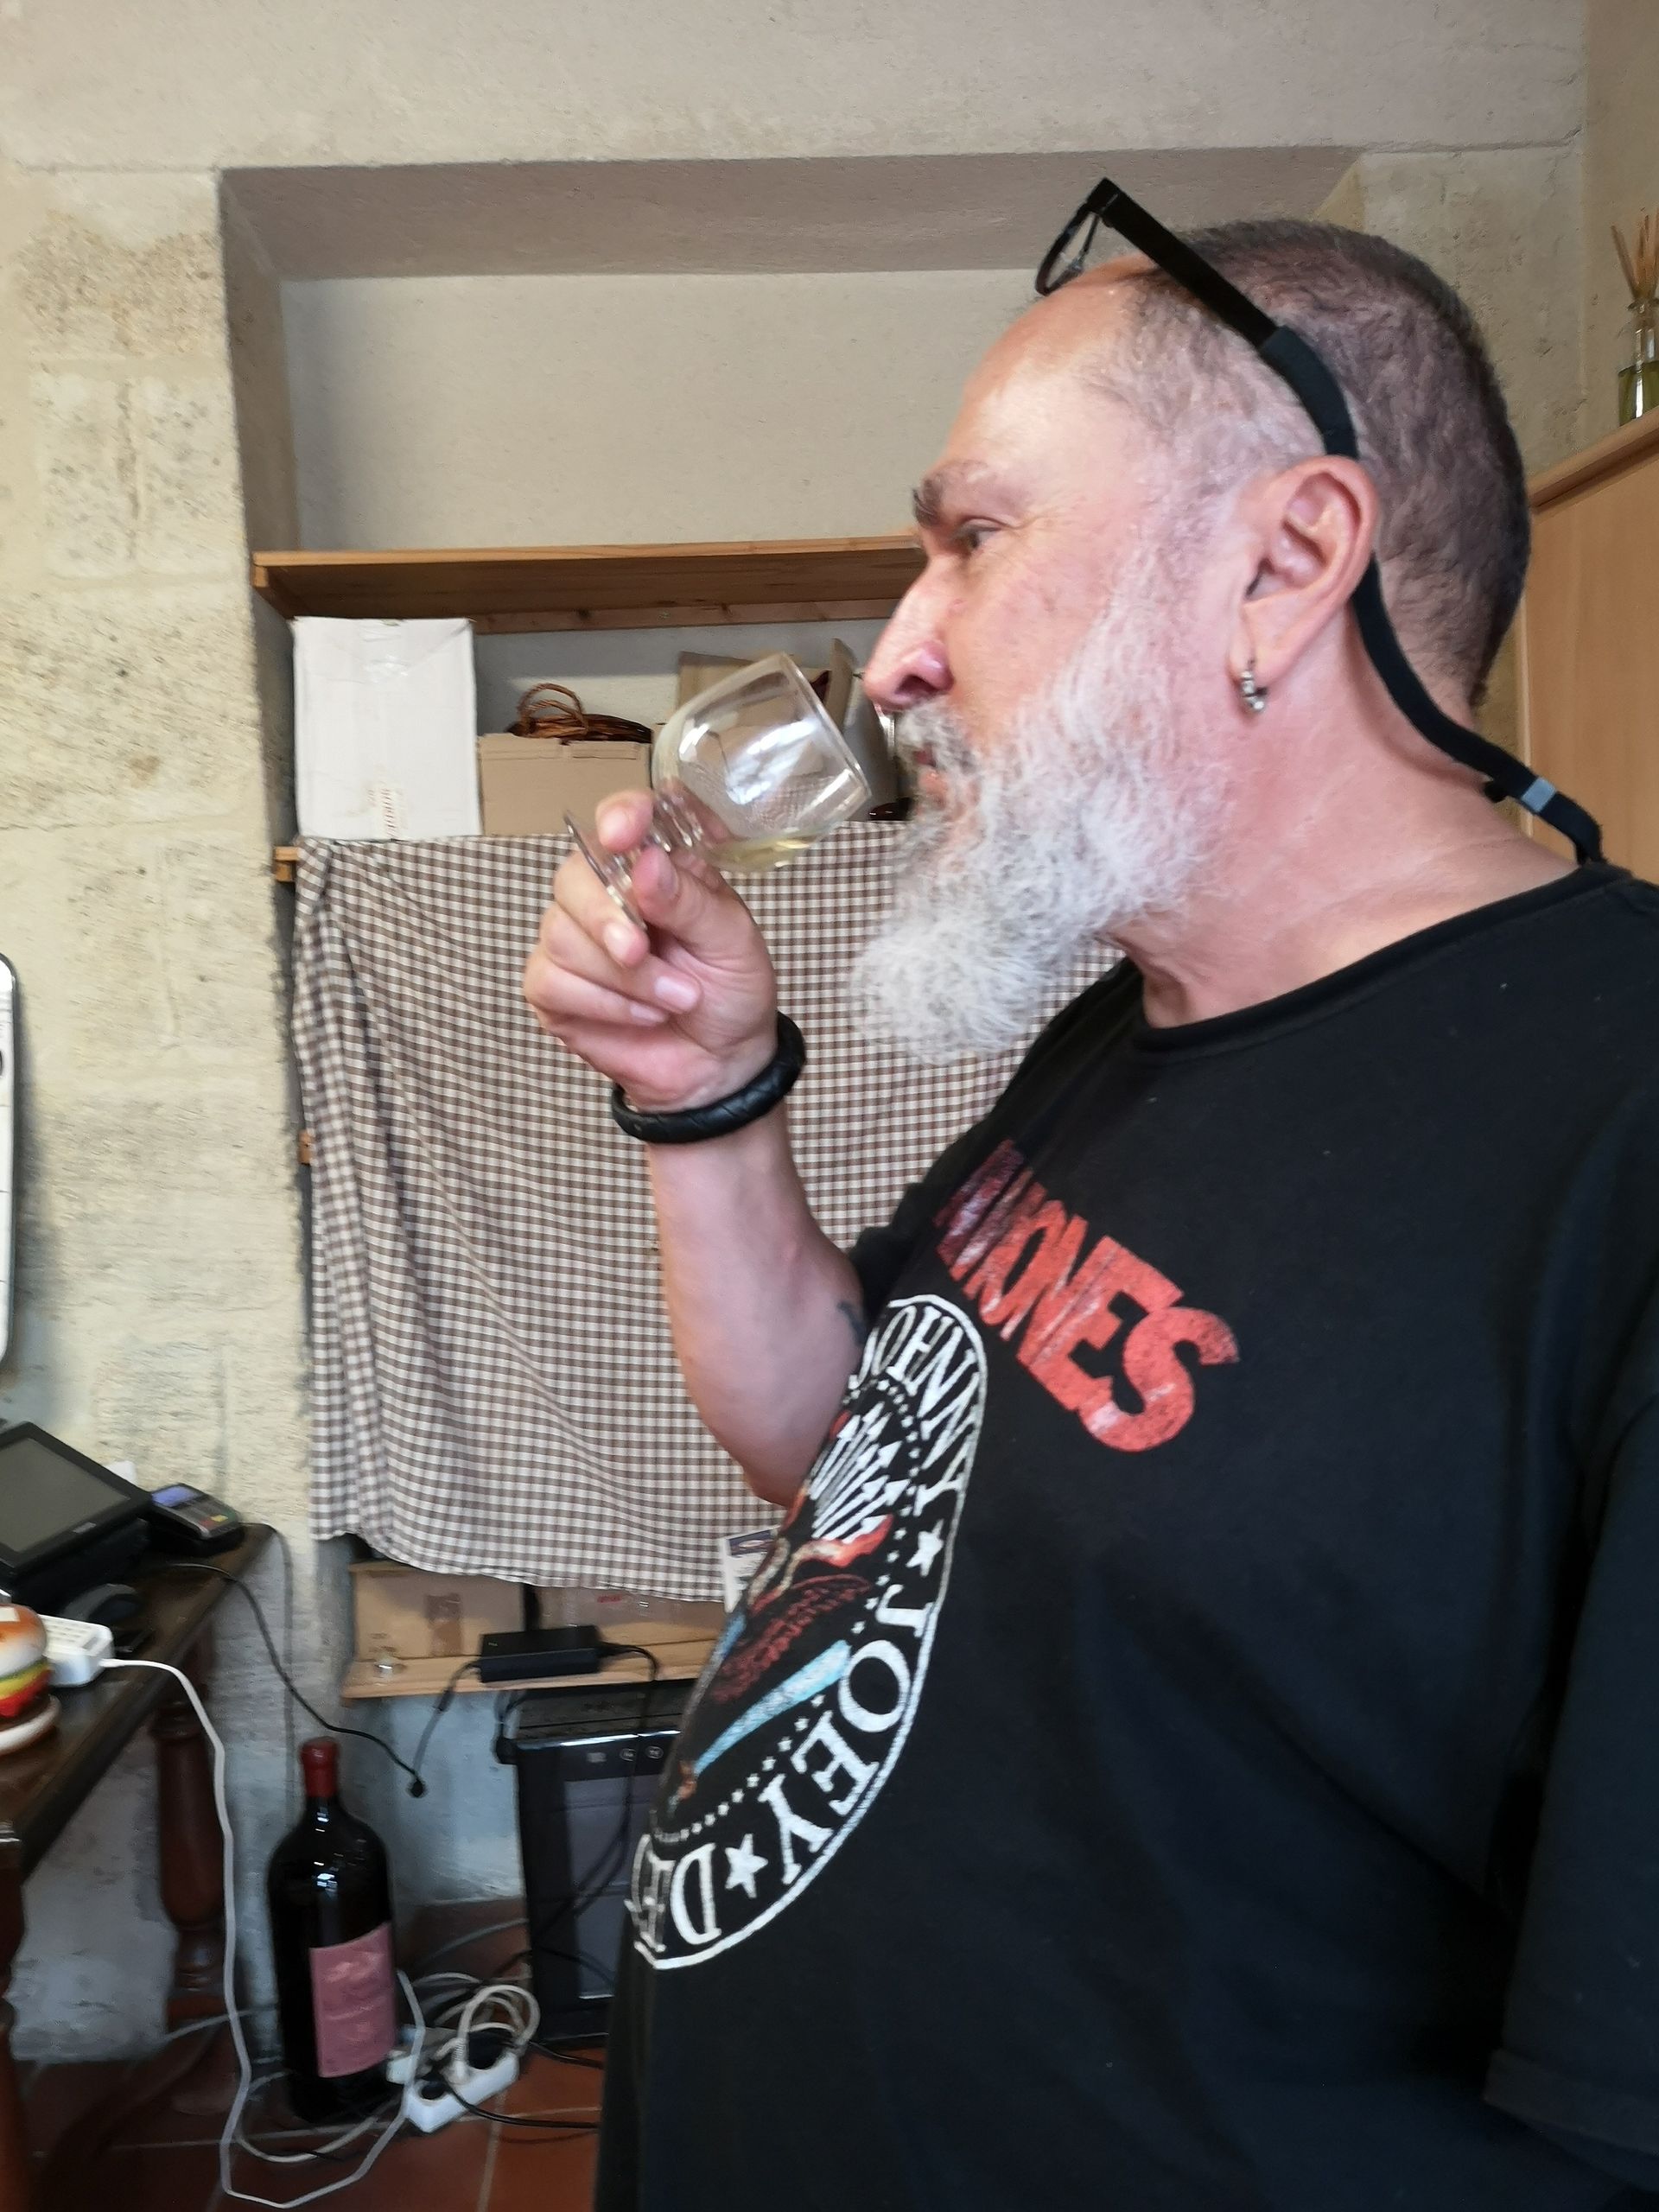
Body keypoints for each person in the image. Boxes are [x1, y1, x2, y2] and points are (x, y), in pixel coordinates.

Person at [523, 217, 1659, 2210]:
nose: (899, 652)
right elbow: (848, 1453)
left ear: (1289, 560)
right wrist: (705, 1098)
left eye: (974, 537)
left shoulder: (1622, 1136)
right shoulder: (1133, 1023)